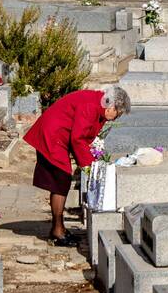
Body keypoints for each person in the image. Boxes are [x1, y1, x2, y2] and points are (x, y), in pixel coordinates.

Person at [23, 86, 131, 246]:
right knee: (61, 181)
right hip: (53, 134)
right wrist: (88, 166)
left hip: (58, 134)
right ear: (112, 106)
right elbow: (77, 138)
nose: (116, 118)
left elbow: (83, 136)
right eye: (118, 113)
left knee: (61, 181)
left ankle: (58, 228)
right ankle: (57, 231)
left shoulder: (99, 106)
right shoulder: (91, 106)